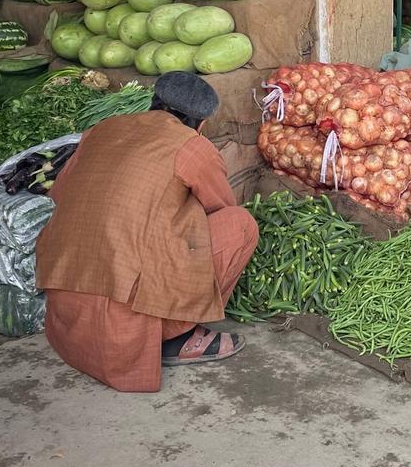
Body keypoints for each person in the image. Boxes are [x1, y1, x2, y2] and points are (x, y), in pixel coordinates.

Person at [36, 73, 259, 391]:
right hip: (121, 329)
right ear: (200, 124)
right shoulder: (192, 146)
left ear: (153, 102)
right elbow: (220, 207)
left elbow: (58, 194)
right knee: (240, 226)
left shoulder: (101, 129)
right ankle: (178, 336)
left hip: (67, 320)